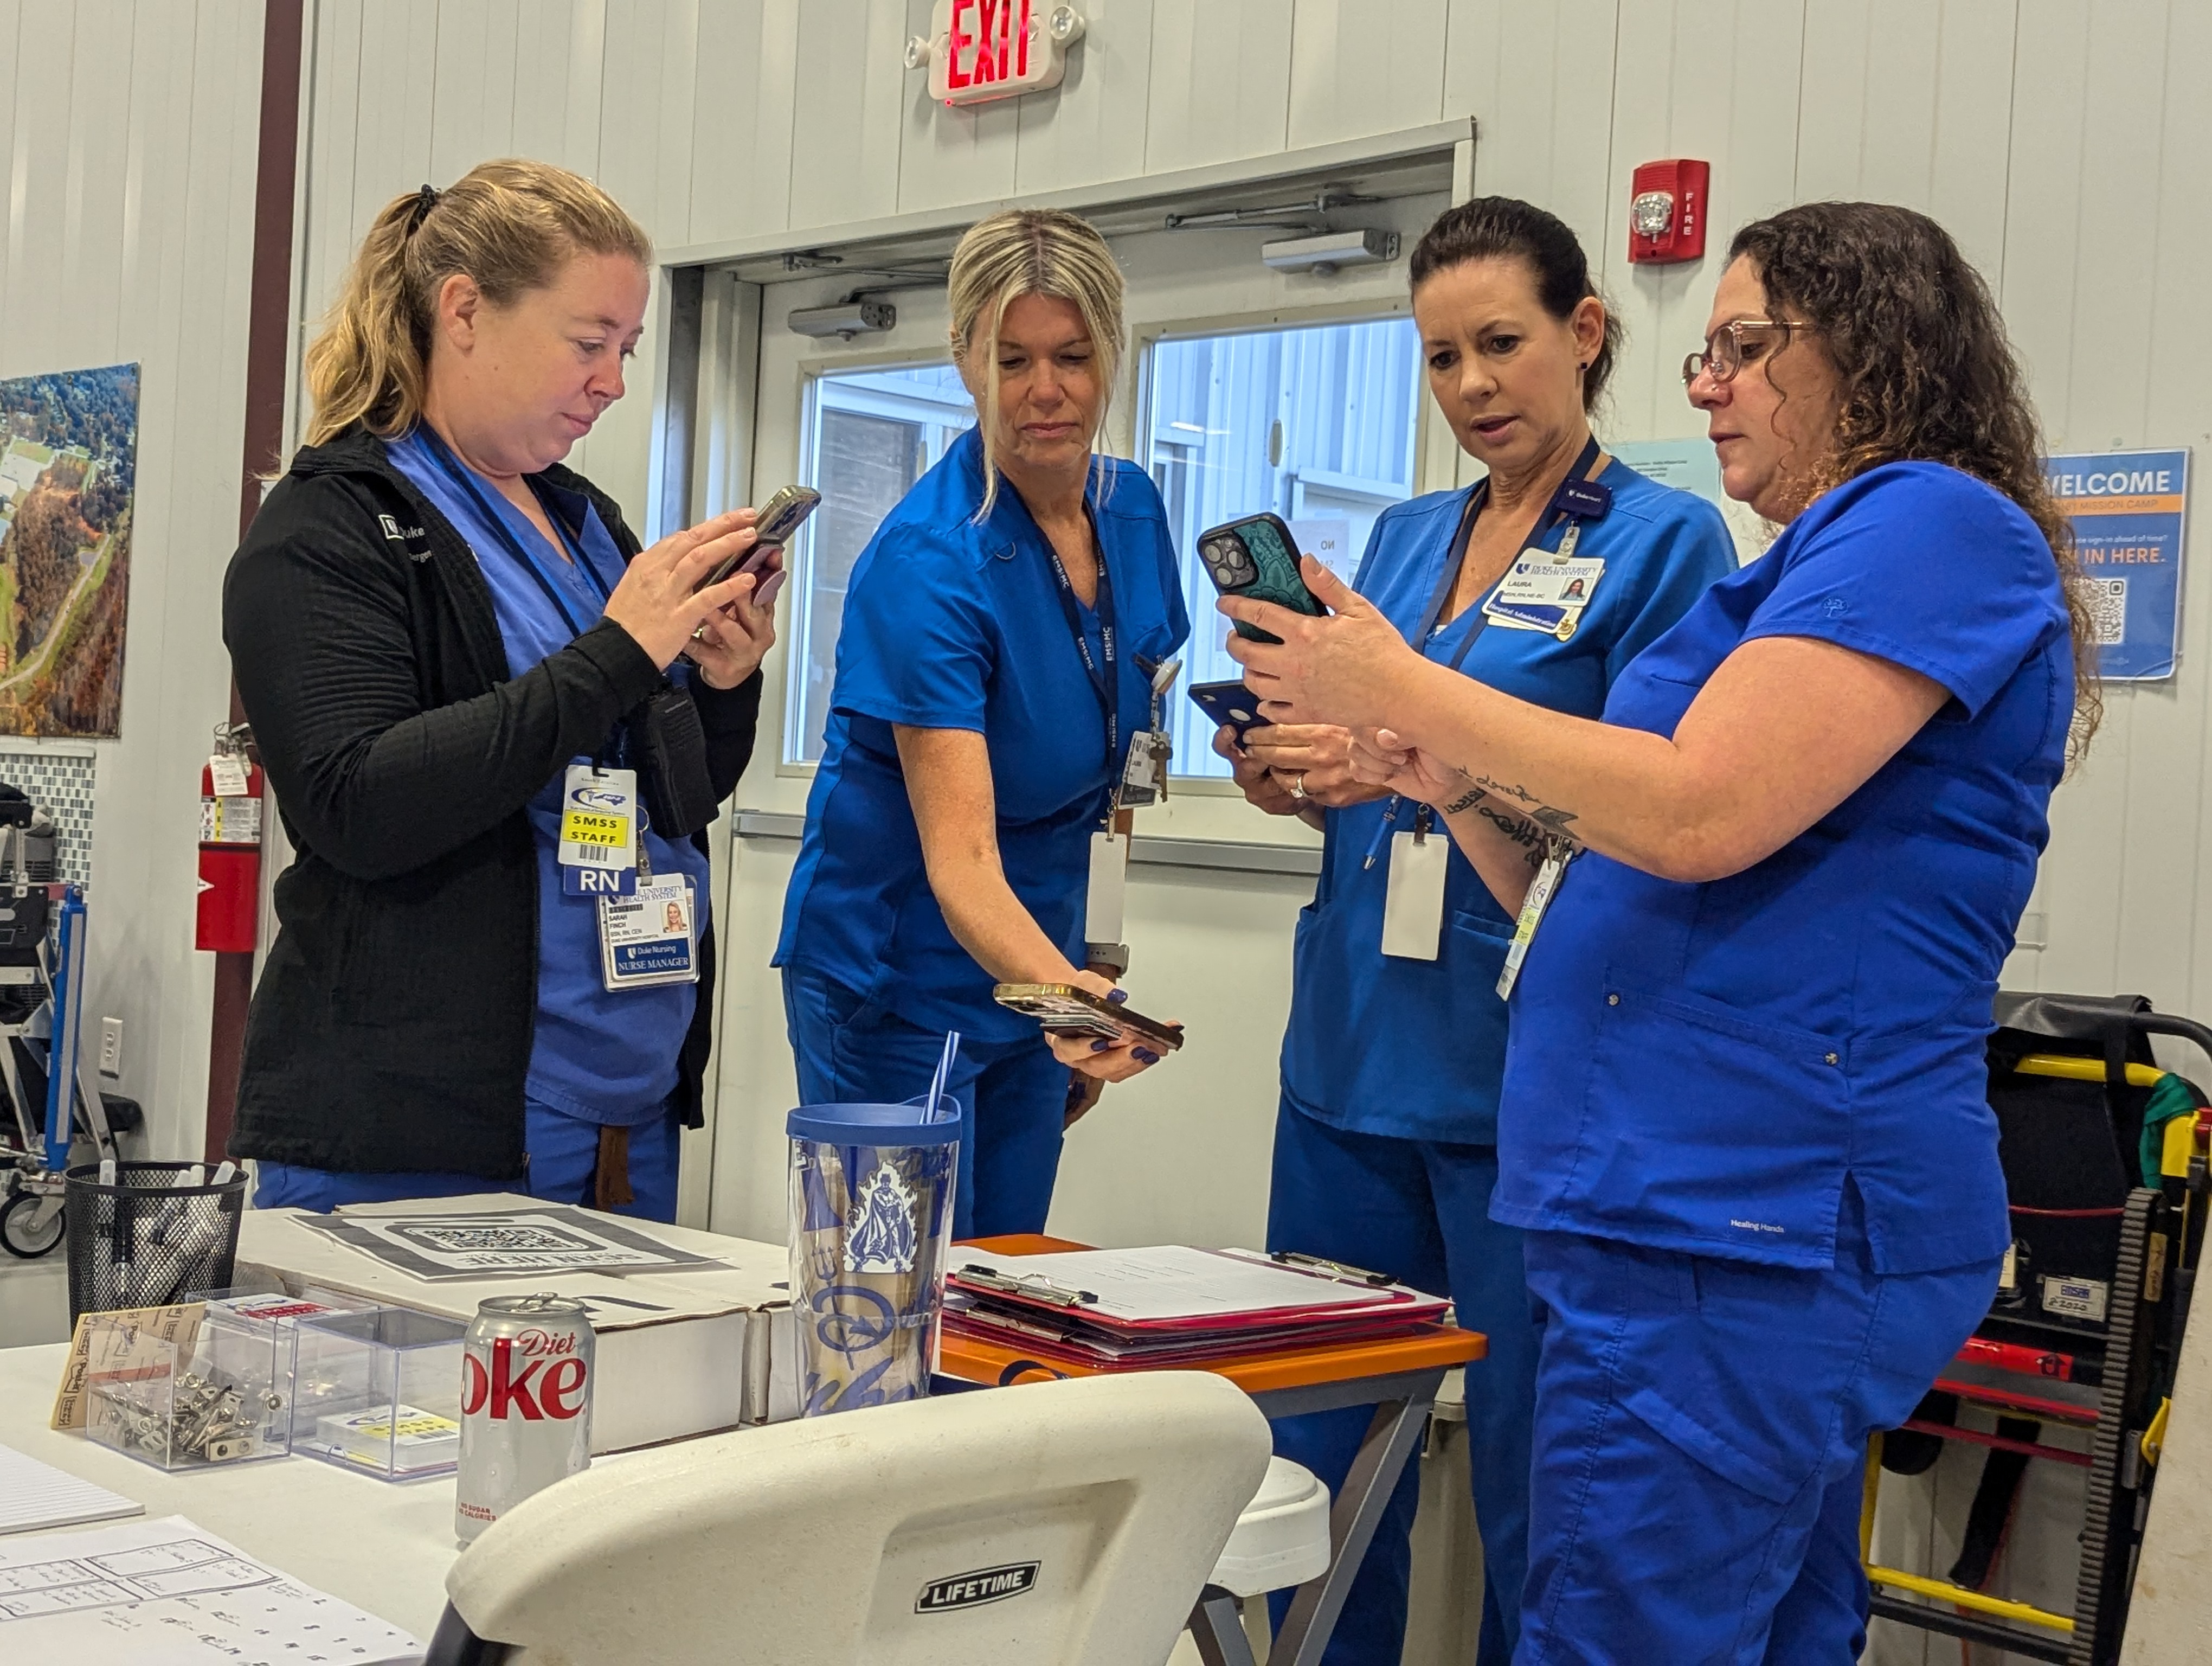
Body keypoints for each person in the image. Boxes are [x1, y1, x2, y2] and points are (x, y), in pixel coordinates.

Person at [1224, 201, 2095, 1662]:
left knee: (1627, 1626)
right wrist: (1459, 788)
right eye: (1705, 353)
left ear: (1871, 353)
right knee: (1760, 1621)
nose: (1706, 385)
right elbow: (1622, 885)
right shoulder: (1805, 566)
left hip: (1741, 1217)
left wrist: (1394, 677)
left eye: (1745, 348)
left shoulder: (1928, 522)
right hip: (1682, 1211)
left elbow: (1701, 812)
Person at [1219, 198, 1733, 1665]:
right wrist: (1296, 772)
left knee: (1537, 1480)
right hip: (1348, 1066)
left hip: (1524, 1079)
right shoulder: (1402, 536)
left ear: (1585, 333)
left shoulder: (1663, 545)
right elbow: (1369, 771)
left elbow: (1657, 818)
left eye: (1502, 344)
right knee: (1313, 1465)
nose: (1473, 387)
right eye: (1442, 359)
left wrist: (1445, 763)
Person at [226, 160, 779, 1222]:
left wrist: (721, 682)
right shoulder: (330, 529)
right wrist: (619, 651)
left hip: (624, 1112)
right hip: (425, 1131)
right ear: (465, 312)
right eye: (588, 344)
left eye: (627, 348)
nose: (614, 382)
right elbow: (359, 805)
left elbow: (669, 792)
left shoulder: (585, 525)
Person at [776, 208, 1189, 1238]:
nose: (1045, 391)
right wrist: (1072, 1005)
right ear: (963, 358)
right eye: (1011, 359)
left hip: (1031, 964)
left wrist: (1090, 970)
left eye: (1071, 356)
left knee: (1008, 1285)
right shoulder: (931, 562)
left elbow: (1124, 775)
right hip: (897, 986)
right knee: (889, 1314)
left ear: (1110, 358)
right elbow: (959, 862)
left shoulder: (1132, 510)